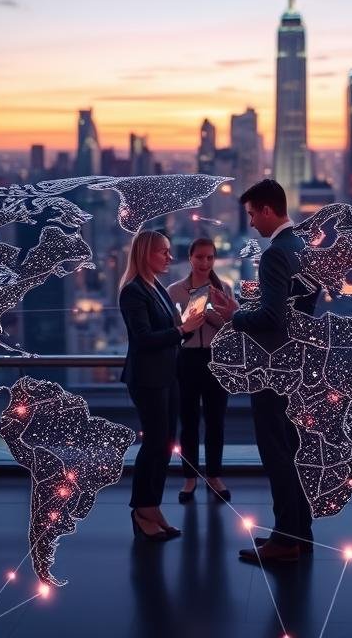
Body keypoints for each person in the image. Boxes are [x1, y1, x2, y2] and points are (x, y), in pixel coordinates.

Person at [210, 179, 318, 563]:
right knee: (291, 451)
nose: (252, 223)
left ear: (269, 210)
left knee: (277, 453)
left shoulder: (275, 255)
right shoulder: (302, 247)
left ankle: (286, 539)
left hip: (273, 368)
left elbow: (273, 318)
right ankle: (298, 534)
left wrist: (233, 315)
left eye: (254, 214)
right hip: (296, 367)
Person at [120, 230, 205, 541]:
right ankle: (142, 510)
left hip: (168, 376)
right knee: (154, 444)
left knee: (164, 444)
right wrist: (183, 329)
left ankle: (151, 506)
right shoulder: (133, 292)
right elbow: (142, 339)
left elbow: (167, 327)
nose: (170, 257)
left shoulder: (154, 287)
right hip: (148, 379)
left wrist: (187, 322)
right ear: (145, 254)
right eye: (163, 252)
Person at [167, 238, 235, 503]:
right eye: (200, 257)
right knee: (189, 421)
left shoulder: (224, 288)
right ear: (190, 258)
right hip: (186, 358)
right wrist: (189, 323)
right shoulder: (174, 291)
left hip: (216, 359)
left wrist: (215, 316)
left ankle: (215, 475)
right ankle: (190, 477)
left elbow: (233, 328)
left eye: (209, 258)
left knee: (216, 420)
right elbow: (171, 329)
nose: (204, 262)